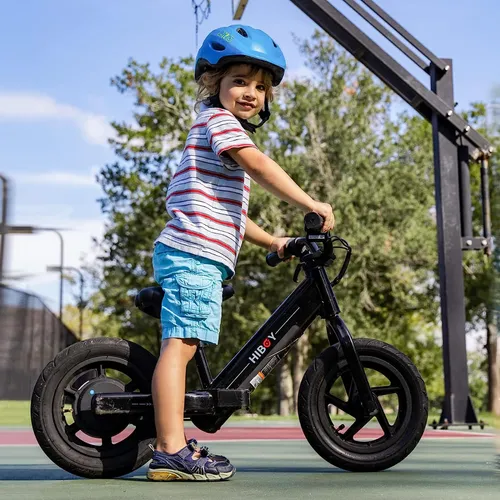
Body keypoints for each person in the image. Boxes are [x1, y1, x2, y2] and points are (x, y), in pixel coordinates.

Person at [147, 24, 335, 482]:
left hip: (195, 252)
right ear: (214, 84)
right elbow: (260, 164)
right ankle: (171, 449)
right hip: (193, 254)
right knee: (181, 345)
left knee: (185, 344)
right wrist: (310, 202)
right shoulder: (220, 124)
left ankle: (173, 442)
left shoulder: (213, 137)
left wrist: (273, 240)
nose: (251, 92)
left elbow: (230, 213)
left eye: (260, 86)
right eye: (239, 81)